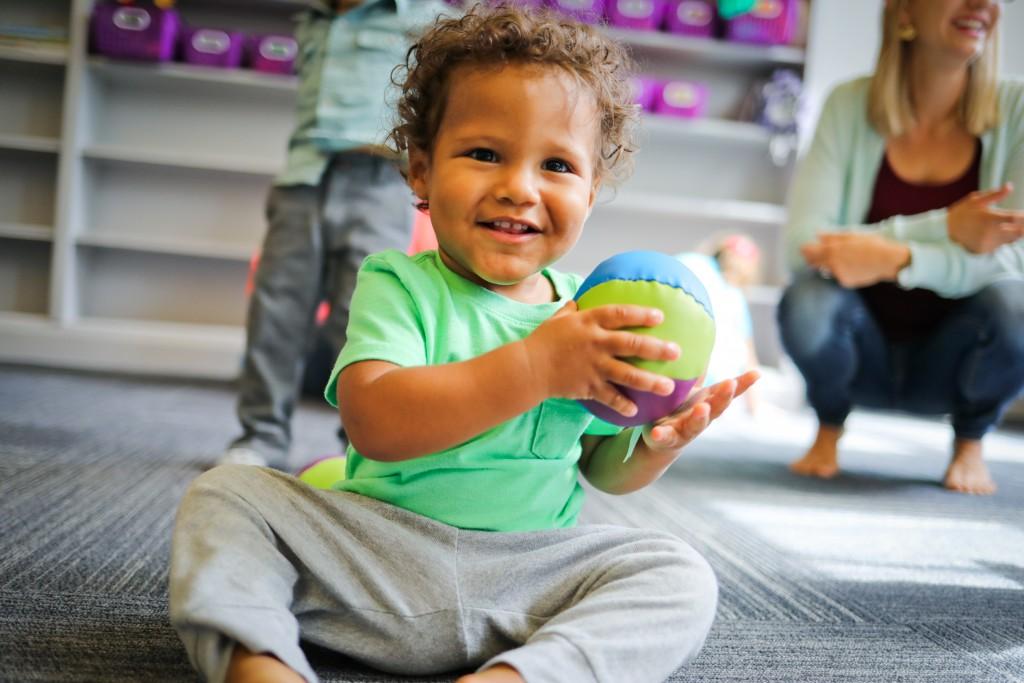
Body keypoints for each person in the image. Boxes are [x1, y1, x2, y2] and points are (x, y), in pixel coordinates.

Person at [170, 6, 759, 682]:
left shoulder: (584, 312)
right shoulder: (397, 283)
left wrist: (653, 447)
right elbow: (375, 420)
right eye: (484, 154)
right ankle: (262, 665)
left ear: (592, 190)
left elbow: (597, 468)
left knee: (678, 573)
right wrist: (535, 366)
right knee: (226, 495)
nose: (518, 187)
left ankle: (511, 677)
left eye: (558, 165)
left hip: (524, 578)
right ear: (420, 170)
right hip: (380, 558)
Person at [778, 0, 1024, 495]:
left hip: (957, 361)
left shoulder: (1017, 111)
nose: (982, 5)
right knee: (806, 298)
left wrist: (896, 256)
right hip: (857, 352)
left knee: (1019, 305)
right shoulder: (848, 104)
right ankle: (829, 425)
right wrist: (948, 227)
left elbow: (1015, 255)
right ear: (905, 12)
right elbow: (804, 246)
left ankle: (971, 440)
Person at [221, 0, 451, 469]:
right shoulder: (313, 18)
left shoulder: (426, 18)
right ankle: (261, 437)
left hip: (380, 180)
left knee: (365, 315)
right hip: (304, 177)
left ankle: (361, 446)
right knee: (276, 312)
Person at [677, 234, 763, 414]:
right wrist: (755, 408)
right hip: (707, 382)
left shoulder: (692, 262)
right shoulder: (734, 296)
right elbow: (749, 356)